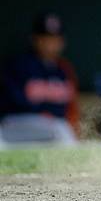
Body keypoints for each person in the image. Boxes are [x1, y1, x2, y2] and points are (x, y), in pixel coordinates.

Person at [0, 12, 79, 144]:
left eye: (55, 39)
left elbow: (70, 109)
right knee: (60, 129)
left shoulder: (64, 70)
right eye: (46, 38)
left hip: (52, 126)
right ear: (35, 39)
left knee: (62, 129)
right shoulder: (18, 66)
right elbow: (12, 103)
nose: (51, 44)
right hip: (16, 124)